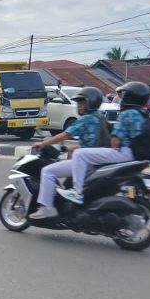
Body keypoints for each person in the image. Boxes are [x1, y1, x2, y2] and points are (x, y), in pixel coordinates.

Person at [58, 81, 150, 205]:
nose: (122, 99)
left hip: (125, 152)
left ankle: (77, 192)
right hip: (139, 154)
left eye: (124, 95)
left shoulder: (126, 114)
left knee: (80, 154)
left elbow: (115, 142)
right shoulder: (143, 114)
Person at [29, 87, 109, 219]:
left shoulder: (87, 119)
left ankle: (47, 208)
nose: (79, 106)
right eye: (79, 103)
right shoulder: (100, 118)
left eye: (82, 103)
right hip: (96, 160)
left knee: (48, 172)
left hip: (85, 163)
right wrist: (66, 149)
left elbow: (65, 135)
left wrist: (43, 143)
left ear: (91, 102)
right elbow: (88, 145)